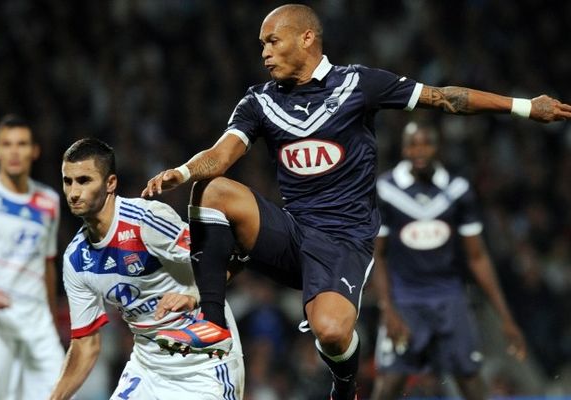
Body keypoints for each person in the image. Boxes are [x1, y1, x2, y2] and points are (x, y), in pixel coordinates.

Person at [141, 4, 571, 399]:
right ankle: (212, 321)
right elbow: (219, 155)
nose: (265, 53)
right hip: (292, 231)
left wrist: (522, 106)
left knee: (330, 333)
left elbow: (444, 98)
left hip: (345, 240)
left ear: (307, 38)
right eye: (261, 45)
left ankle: (345, 382)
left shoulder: (360, 85)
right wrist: (180, 173)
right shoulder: (259, 101)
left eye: (273, 41)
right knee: (211, 189)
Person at [51, 138, 244, 400]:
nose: (73, 192)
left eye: (84, 180)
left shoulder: (146, 220)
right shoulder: (76, 259)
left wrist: (196, 296)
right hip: (148, 370)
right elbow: (85, 344)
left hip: (204, 366)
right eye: (68, 181)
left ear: (111, 183)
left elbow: (230, 255)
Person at [370, 121, 527, 400]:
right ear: (403, 148)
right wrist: (387, 310)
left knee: (470, 380)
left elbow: (477, 257)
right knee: (389, 384)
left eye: (426, 143)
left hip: (450, 297)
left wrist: (506, 317)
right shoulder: (386, 190)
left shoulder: (458, 190)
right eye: (412, 144)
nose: (419, 150)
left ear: (438, 147)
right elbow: (378, 255)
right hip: (406, 300)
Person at [0, 114, 65, 400]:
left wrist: (51, 316)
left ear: (34, 150)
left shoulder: (50, 201)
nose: (14, 151)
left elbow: (48, 264)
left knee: (61, 393)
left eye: (22, 144)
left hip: (37, 324)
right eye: (7, 144)